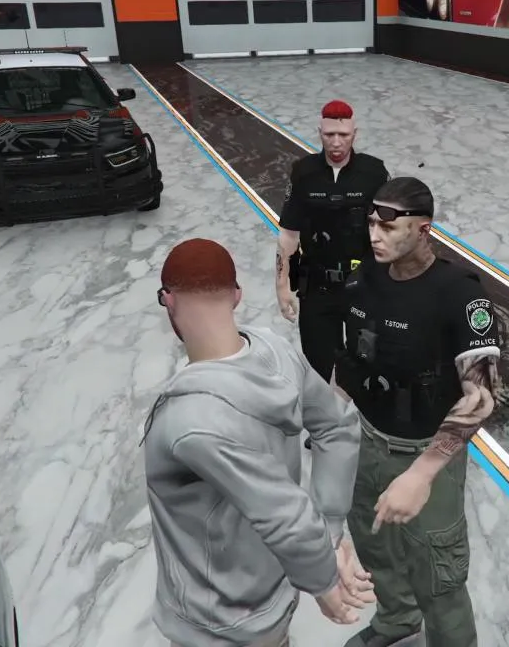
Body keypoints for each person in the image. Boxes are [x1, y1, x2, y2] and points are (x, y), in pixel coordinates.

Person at [143, 238, 376, 647]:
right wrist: (329, 531)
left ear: (168, 301)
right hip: (274, 598)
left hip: (217, 624)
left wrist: (323, 579)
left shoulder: (191, 419)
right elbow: (337, 427)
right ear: (236, 296)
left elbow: (285, 515)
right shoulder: (275, 352)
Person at [334, 177, 501, 647]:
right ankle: (397, 620)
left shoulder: (460, 295)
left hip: (427, 455)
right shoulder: (364, 280)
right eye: (371, 223)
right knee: (374, 545)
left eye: (388, 226)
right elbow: (351, 364)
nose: (375, 235)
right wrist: (328, 427)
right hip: (367, 442)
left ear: (424, 228)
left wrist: (422, 474)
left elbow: (481, 396)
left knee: (439, 575)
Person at [275, 100, 390, 381]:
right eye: (329, 135)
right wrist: (282, 286)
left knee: (367, 365)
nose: (336, 142)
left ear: (355, 134)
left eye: (344, 135)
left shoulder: (374, 173)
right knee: (318, 368)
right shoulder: (303, 173)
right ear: (319, 133)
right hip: (318, 288)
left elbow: (392, 229)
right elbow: (289, 233)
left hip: (364, 285)